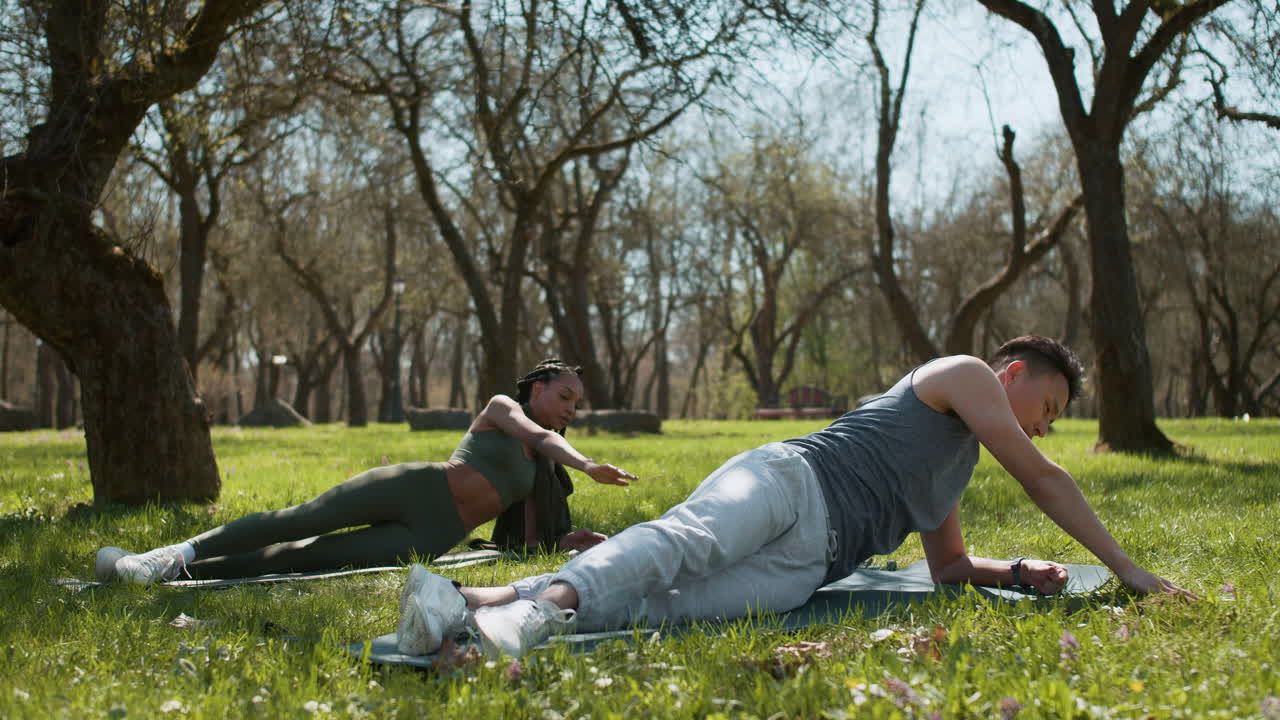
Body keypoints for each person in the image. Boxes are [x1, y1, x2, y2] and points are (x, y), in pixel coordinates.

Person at [396, 336, 1194, 658]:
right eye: (1048, 410)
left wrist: (1015, 572)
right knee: (682, 544)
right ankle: (533, 615)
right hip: (789, 482)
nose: (1045, 432)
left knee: (668, 604)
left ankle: (468, 605)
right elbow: (1044, 478)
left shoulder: (953, 466)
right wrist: (1128, 572)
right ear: (1012, 375)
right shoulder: (964, 375)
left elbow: (947, 567)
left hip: (807, 566)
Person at [94, 359, 636, 593]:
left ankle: (176, 577)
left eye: (576, 403)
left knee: (304, 559)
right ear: (536, 389)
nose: (569, 409)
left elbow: (530, 539)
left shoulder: (544, 466)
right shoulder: (504, 409)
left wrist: (572, 543)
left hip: (431, 536)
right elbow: (539, 435)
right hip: (416, 488)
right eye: (563, 396)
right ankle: (172, 555)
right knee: (300, 520)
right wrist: (588, 465)